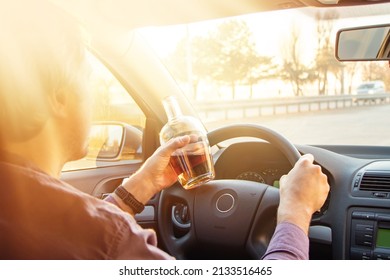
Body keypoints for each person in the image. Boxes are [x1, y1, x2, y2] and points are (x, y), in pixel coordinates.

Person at [0, 0, 329, 260]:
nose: (94, 96)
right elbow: (95, 240)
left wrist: (142, 185)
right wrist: (295, 212)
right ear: (59, 96)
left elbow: (71, 236)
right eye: (89, 80)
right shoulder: (109, 243)